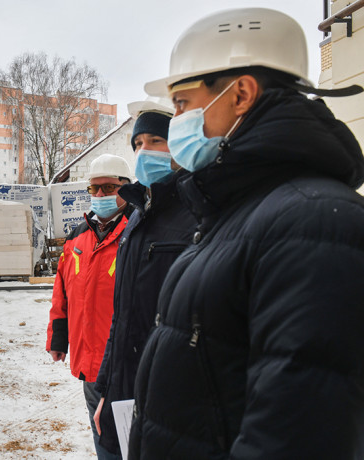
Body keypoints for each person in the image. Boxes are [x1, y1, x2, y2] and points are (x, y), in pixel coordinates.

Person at [128, 8, 364, 459]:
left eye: (182, 103)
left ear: (240, 93)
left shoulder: (315, 223)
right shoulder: (238, 211)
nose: (175, 121)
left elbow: (299, 435)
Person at [92, 100, 196, 457]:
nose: (144, 151)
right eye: (137, 144)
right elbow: (121, 318)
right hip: (124, 392)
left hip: (172, 396)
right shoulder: (137, 218)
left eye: (155, 141)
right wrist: (106, 387)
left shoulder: (197, 213)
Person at [47, 154, 132, 460]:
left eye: (108, 188)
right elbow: (63, 292)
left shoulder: (139, 232)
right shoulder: (77, 237)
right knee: (103, 436)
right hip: (90, 362)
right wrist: (58, 339)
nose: (99, 195)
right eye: (93, 189)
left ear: (127, 188)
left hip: (127, 363)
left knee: (132, 441)